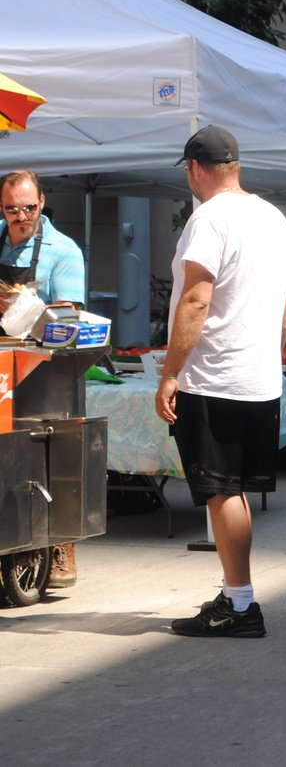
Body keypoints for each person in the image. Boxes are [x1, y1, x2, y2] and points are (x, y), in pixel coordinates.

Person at [156, 126, 286, 637]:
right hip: (258, 376)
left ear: (195, 167)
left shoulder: (208, 218)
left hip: (214, 377)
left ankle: (240, 606)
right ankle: (235, 596)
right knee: (233, 491)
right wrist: (268, 357)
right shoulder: (273, 217)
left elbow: (196, 299)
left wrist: (171, 373)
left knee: (222, 492)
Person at [1, 170, 86, 590]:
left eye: (29, 208)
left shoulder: (63, 251)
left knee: (53, 455)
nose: (21, 217)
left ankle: (62, 543)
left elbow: (68, 320)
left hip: (47, 368)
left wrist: (25, 307)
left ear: (42, 202)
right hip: (1, 367)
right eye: (12, 209)